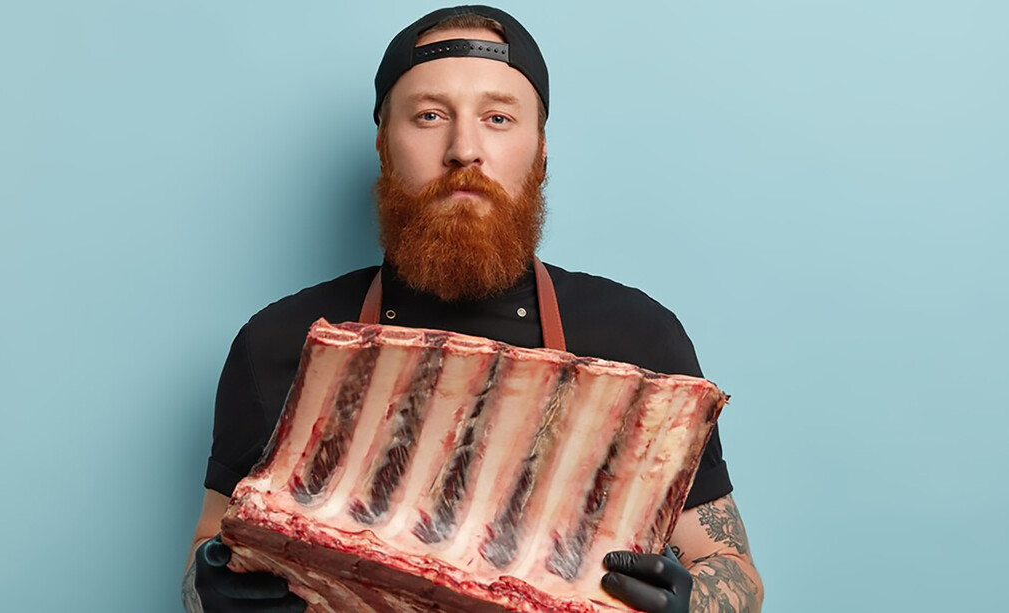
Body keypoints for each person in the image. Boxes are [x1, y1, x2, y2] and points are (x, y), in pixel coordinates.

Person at [182, 5, 763, 613]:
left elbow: (734, 570)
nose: (464, 149)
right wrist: (211, 589)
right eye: (429, 116)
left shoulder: (639, 339)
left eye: (498, 117)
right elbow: (205, 550)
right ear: (384, 145)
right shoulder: (278, 343)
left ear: (539, 149)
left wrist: (696, 605)